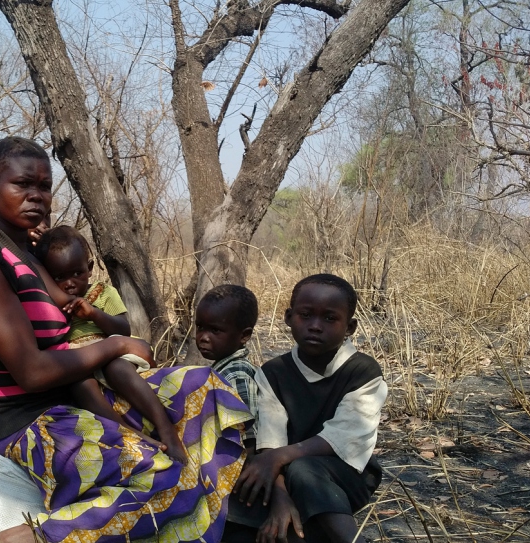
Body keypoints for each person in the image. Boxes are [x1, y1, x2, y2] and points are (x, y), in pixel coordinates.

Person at [0, 136, 253, 543]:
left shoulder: (25, 256)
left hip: (68, 390)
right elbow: (32, 372)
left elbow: (72, 307)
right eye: (22, 185)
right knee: (162, 475)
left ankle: (197, 505)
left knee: (206, 387)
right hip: (20, 417)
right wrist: (115, 345)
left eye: (43, 187)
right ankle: (26, 538)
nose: (36, 197)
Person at [231, 274, 386, 543]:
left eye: (329, 318)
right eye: (305, 315)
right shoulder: (273, 372)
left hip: (343, 477)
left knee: (304, 470)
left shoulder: (363, 371)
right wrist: (280, 500)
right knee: (237, 498)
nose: (315, 326)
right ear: (289, 317)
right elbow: (269, 446)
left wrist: (280, 457)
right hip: (283, 476)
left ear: (349, 327)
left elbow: (343, 437)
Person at [35, 224, 183, 460]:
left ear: (90, 269)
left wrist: (93, 313)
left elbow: (123, 328)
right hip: (79, 361)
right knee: (80, 385)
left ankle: (165, 428)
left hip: (111, 352)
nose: (70, 283)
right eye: (59, 277)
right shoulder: (52, 303)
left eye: (77, 273)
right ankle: (129, 433)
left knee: (118, 368)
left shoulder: (102, 293)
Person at [195, 284, 260, 452]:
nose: (203, 337)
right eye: (200, 327)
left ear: (244, 335)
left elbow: (247, 434)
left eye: (215, 330)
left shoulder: (236, 375)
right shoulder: (222, 369)